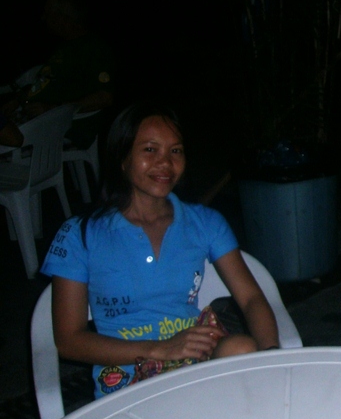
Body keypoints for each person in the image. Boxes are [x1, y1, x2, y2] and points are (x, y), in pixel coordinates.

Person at [41, 103, 281, 398]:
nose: (165, 162)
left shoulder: (204, 222)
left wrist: (273, 355)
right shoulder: (80, 234)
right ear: (121, 158)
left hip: (193, 363)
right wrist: (160, 349)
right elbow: (68, 341)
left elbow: (251, 298)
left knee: (241, 348)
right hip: (127, 375)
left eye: (175, 151)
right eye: (150, 150)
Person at [2, 0, 114, 148]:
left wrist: (54, 109)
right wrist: (18, 100)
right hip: (31, 120)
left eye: (48, 13)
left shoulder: (94, 48)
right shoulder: (64, 48)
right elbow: (47, 85)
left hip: (58, 128)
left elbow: (104, 97)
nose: (43, 18)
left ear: (64, 18)